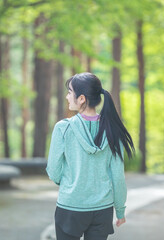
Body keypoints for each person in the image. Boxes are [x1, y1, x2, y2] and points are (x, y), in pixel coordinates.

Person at [46, 72, 135, 240]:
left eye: (70, 92)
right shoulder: (112, 131)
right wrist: (120, 210)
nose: (67, 96)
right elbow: (118, 176)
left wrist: (66, 182)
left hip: (70, 207)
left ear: (81, 99)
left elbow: (53, 171)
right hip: (102, 210)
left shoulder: (63, 128)